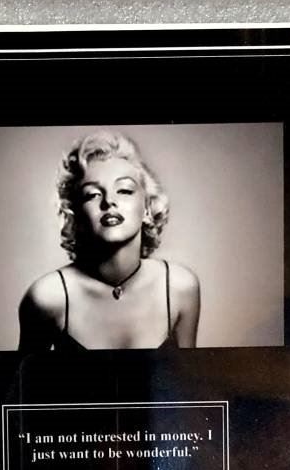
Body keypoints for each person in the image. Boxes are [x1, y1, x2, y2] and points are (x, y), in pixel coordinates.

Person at [18, 131, 200, 351]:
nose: (109, 201)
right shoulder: (47, 297)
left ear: (147, 208)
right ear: (76, 214)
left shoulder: (180, 287)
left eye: (124, 190)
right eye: (92, 194)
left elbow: (189, 373)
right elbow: (25, 374)